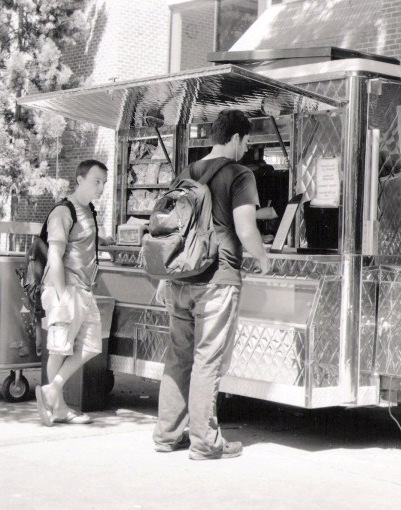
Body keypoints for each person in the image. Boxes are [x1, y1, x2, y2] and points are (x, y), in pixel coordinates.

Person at [153, 109, 270, 460]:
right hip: (218, 280)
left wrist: (164, 277)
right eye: (246, 141)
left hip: (180, 278)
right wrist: (263, 258)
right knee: (208, 360)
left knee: (178, 358)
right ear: (234, 138)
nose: (247, 148)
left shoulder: (185, 173)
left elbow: (167, 229)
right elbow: (246, 229)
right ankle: (204, 441)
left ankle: (167, 435)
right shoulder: (240, 174)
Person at [35, 159, 109, 426]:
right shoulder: (63, 211)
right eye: (96, 181)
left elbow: (83, 243)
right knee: (59, 349)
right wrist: (61, 295)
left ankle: (52, 389)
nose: (100, 187)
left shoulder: (89, 210)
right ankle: (60, 408)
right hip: (65, 289)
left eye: (103, 183)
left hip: (84, 290)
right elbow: (55, 254)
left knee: (90, 346)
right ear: (80, 179)